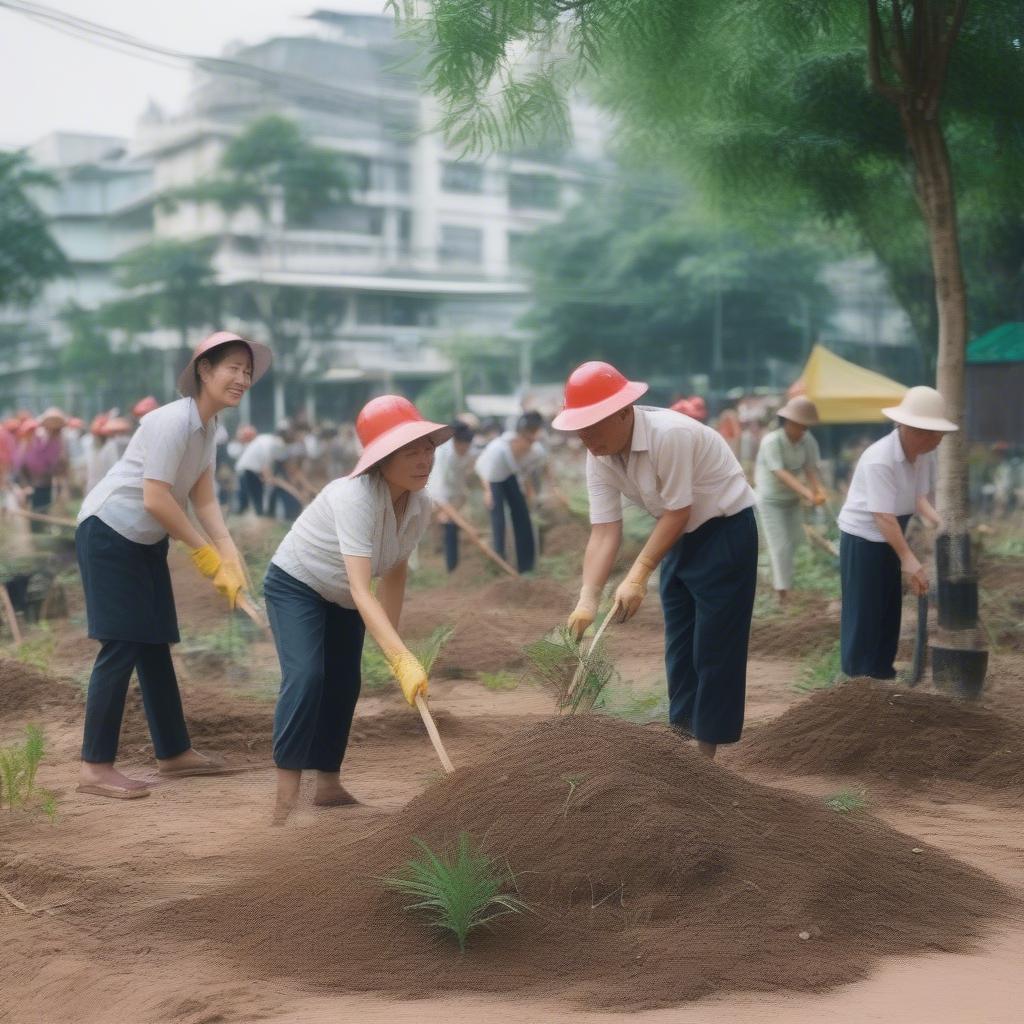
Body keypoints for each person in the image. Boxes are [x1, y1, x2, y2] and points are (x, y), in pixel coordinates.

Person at [74, 331, 272, 799]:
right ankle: (95, 767)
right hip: (109, 532)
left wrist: (230, 557)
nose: (242, 379)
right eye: (233, 369)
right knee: (122, 644)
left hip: (144, 541)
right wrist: (203, 554)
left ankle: (174, 753)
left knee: (155, 643)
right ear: (204, 369)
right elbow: (157, 498)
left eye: (247, 372)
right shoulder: (170, 421)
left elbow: (204, 503)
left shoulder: (209, 430)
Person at [553, 361, 757, 759]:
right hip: (677, 536)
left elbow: (679, 511)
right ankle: (678, 750)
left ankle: (705, 759)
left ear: (624, 412)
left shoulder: (670, 435)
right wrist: (588, 598)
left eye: (593, 425)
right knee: (679, 646)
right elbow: (604, 530)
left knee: (714, 647)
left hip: (724, 532)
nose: (586, 437)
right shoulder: (600, 457)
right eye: (580, 428)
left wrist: (639, 573)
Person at [264, 395, 451, 822]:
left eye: (428, 447)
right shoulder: (354, 496)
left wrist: (393, 647)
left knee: (345, 682)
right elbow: (362, 586)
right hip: (298, 584)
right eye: (410, 451)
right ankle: (286, 790)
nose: (424, 459)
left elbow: (396, 571)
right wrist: (403, 658)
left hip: (346, 597)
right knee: (308, 675)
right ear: (381, 460)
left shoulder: (420, 504)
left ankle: (328, 784)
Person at [837, 386, 956, 680]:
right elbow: (882, 515)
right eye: (936, 433)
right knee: (865, 610)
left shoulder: (922, 455)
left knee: (889, 608)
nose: (940, 439)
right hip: (864, 539)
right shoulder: (881, 458)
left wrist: (939, 523)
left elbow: (918, 499)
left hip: (892, 533)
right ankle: (857, 680)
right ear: (916, 430)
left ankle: (881, 673)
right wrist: (908, 559)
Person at [754, 396, 827, 602]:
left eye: (806, 426)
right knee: (781, 546)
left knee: (796, 541)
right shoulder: (772, 441)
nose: (802, 430)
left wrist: (817, 490)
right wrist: (807, 494)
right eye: (799, 425)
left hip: (792, 500)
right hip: (770, 501)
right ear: (788, 422)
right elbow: (780, 472)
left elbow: (810, 468)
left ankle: (772, 576)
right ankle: (782, 595)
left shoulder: (808, 440)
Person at [475, 410, 546, 572]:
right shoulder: (498, 451)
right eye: (527, 439)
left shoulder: (536, 452)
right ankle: (499, 564)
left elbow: (526, 473)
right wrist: (488, 492)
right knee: (498, 516)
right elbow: (485, 472)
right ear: (518, 437)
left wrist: (529, 493)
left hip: (512, 476)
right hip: (493, 475)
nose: (529, 444)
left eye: (533, 440)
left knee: (522, 515)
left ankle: (526, 566)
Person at [427, 421, 477, 572]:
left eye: (468, 446)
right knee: (447, 522)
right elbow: (438, 495)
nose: (465, 450)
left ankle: (453, 566)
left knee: (451, 523)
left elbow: (463, 484)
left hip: (457, 495)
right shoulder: (442, 455)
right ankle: (451, 566)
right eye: (462, 446)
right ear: (455, 442)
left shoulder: (470, 452)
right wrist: (466, 525)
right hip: (435, 495)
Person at [18, 408, 69, 529]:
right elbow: (25, 463)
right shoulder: (37, 437)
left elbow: (59, 462)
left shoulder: (57, 441)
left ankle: (41, 529)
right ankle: (35, 531)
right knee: (36, 508)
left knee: (45, 506)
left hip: (47, 481)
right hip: (34, 481)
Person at [235, 426, 288, 516]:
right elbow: (265, 466)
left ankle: (257, 514)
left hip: (247, 468)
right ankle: (259, 515)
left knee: (249, 495)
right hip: (249, 469)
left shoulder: (265, 439)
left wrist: (268, 478)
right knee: (255, 494)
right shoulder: (271, 444)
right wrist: (269, 479)